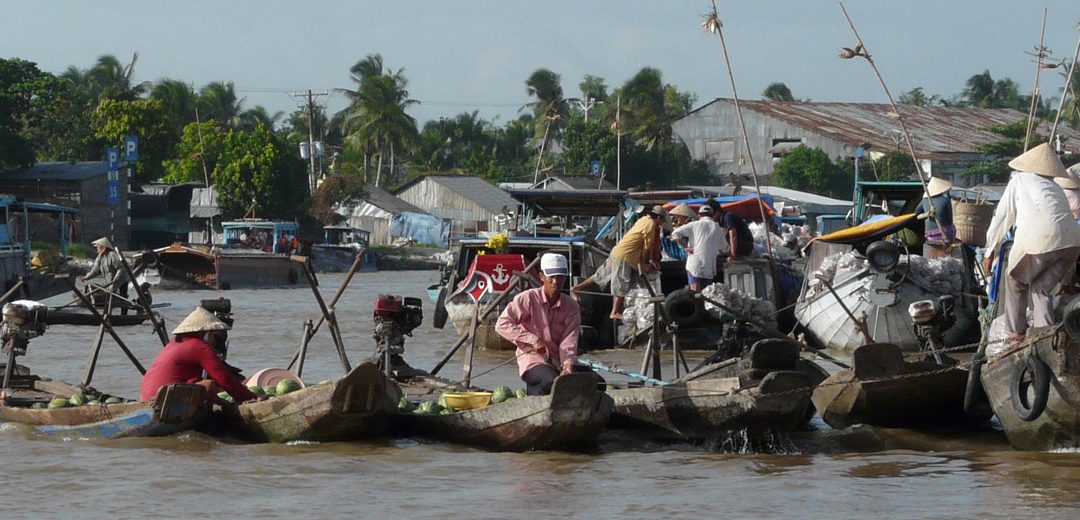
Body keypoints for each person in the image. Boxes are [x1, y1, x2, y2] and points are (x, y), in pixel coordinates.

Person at [984, 143, 1080, 342]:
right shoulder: (1055, 186)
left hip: (1042, 240)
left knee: (1015, 281)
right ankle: (1044, 335)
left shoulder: (1019, 179)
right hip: (1072, 243)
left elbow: (1002, 217)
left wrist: (989, 252)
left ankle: (1014, 335)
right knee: (1041, 289)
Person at [496, 253, 596, 396]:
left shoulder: (571, 306)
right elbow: (502, 324)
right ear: (542, 277)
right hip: (533, 361)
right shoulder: (528, 299)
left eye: (560, 277)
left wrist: (567, 366)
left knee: (597, 383)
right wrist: (533, 340)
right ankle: (532, 398)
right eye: (552, 277)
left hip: (558, 361)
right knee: (553, 383)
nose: (556, 281)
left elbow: (569, 342)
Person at [140, 306, 257, 404]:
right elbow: (223, 378)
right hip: (165, 398)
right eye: (212, 335)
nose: (214, 341)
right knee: (209, 385)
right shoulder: (199, 346)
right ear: (205, 333)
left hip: (148, 397)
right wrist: (251, 398)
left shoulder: (173, 344)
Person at [571, 205, 660, 319]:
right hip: (625, 256)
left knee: (601, 275)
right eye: (661, 222)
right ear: (658, 218)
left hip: (617, 252)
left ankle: (577, 287)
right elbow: (647, 248)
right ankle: (615, 311)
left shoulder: (643, 220)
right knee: (621, 283)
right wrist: (644, 264)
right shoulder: (650, 224)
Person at [671, 204, 728, 291]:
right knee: (705, 294)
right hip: (708, 267)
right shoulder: (718, 229)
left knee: (695, 294)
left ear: (699, 215)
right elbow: (725, 248)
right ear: (712, 215)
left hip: (694, 265)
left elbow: (675, 234)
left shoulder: (694, 225)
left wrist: (685, 247)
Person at [81, 237, 129, 315]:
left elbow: (121, 267)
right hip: (110, 280)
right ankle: (106, 314)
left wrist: (117, 277)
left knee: (123, 297)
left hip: (121, 280)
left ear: (103, 248)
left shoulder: (112, 255)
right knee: (108, 297)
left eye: (98, 247)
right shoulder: (100, 257)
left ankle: (124, 315)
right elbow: (95, 270)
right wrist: (87, 277)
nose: (97, 249)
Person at [915, 177, 956, 258]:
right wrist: (928, 213)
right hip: (944, 233)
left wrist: (926, 214)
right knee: (953, 228)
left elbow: (916, 214)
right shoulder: (945, 200)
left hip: (929, 234)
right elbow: (950, 221)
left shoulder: (924, 200)